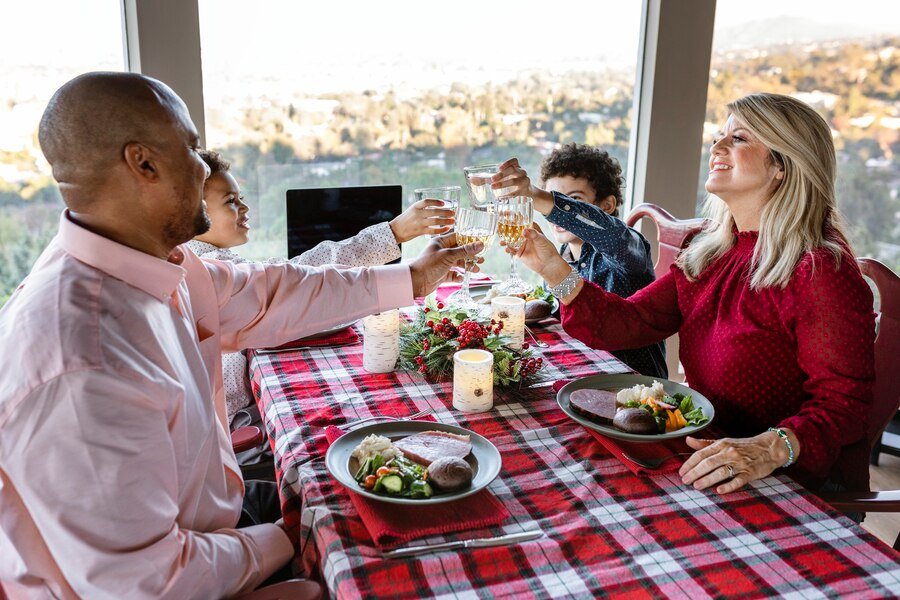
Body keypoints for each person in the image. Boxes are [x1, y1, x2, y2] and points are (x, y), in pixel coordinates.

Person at [0, 72, 482, 599]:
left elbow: (279, 292)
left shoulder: (158, 263)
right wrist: (291, 537)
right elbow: (151, 584)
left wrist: (413, 277)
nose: (204, 165)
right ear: (143, 162)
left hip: (212, 526)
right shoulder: (84, 359)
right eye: (191, 147)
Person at [509, 93, 875, 496]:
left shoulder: (821, 270)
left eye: (738, 138)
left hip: (787, 482)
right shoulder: (714, 248)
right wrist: (553, 269)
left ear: (782, 166)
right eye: (719, 136)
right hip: (704, 453)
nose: (716, 147)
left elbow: (845, 405)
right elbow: (631, 322)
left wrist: (769, 449)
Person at [186, 150, 454, 425]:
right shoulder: (208, 271)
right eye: (231, 201)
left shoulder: (204, 261)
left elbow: (295, 278)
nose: (245, 207)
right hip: (240, 422)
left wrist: (398, 244)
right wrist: (400, 248)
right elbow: (297, 283)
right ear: (191, 209)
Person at [493, 147, 666, 378]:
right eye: (553, 195)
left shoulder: (627, 254)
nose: (550, 213)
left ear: (606, 206)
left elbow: (612, 234)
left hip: (635, 386)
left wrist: (540, 197)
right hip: (582, 377)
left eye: (573, 199)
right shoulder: (561, 254)